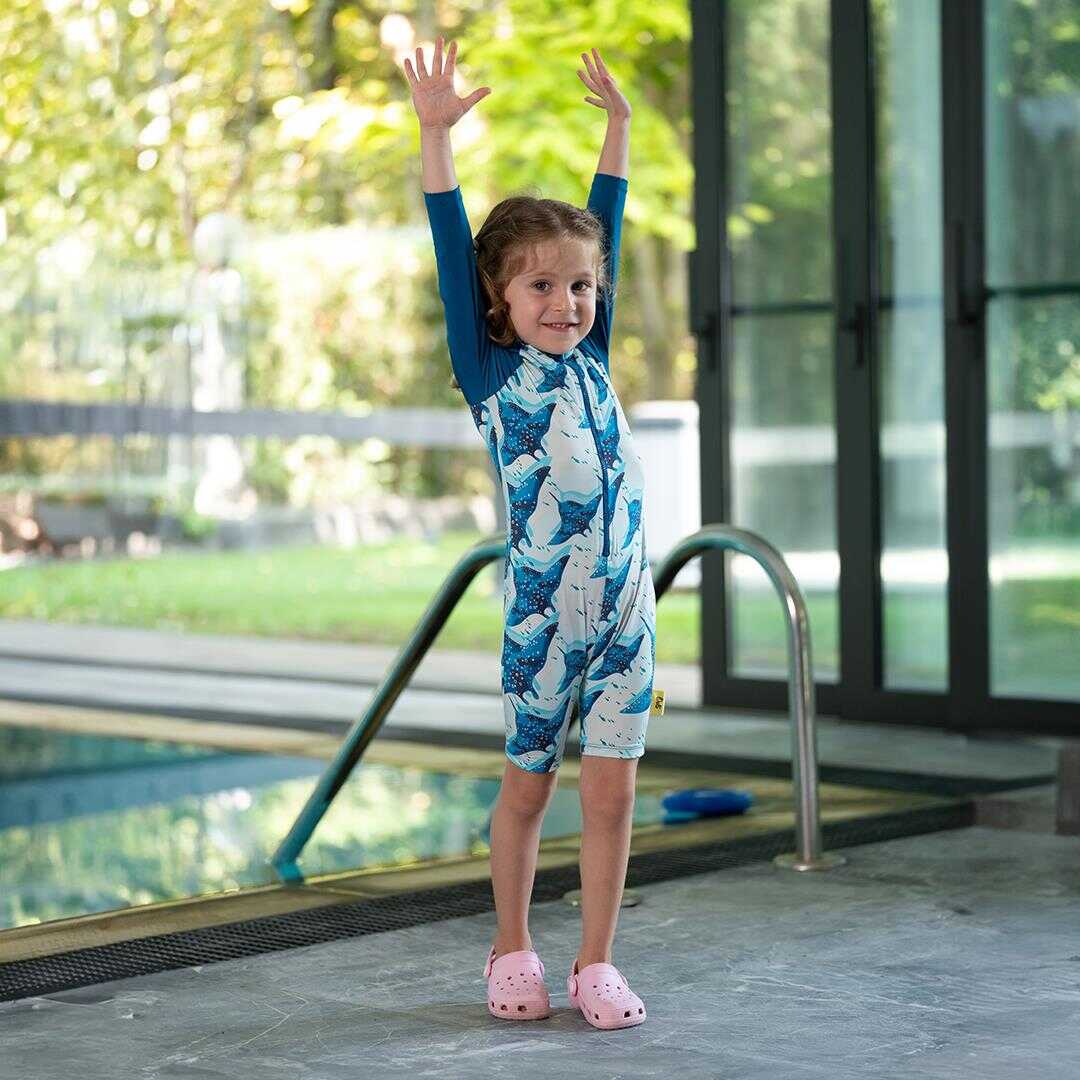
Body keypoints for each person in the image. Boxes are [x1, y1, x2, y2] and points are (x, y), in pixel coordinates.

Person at [404, 37, 654, 1031]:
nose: (567, 302)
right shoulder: (493, 374)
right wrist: (435, 139)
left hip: (628, 620)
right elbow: (447, 238)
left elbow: (608, 224)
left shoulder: (595, 358)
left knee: (613, 799)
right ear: (499, 301)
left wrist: (619, 128)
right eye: (541, 286)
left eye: (581, 286)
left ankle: (597, 962)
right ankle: (511, 946)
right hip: (544, 624)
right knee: (528, 790)